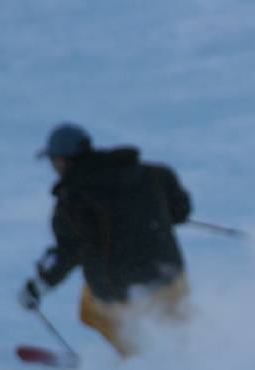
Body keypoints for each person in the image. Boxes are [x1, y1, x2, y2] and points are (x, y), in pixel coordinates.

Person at [19, 123, 192, 357]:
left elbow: (69, 253)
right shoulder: (154, 174)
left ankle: (139, 361)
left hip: (121, 293)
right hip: (171, 279)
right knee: (179, 321)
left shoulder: (72, 202)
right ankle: (203, 351)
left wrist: (38, 285)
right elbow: (180, 211)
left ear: (62, 161)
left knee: (91, 312)